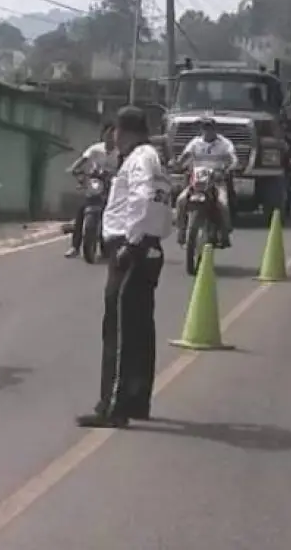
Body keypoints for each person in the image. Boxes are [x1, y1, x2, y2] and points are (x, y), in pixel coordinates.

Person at [76, 106, 172, 429]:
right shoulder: (147, 156)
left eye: (115, 130)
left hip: (133, 247)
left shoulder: (141, 158)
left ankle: (113, 407)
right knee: (138, 327)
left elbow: (146, 199)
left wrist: (131, 243)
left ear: (123, 131)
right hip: (143, 245)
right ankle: (134, 399)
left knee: (119, 329)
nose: (112, 136)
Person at [173, 116, 236, 248]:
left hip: (216, 181)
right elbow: (185, 156)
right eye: (204, 128)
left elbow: (233, 158)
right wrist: (178, 163)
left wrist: (231, 167)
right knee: (180, 201)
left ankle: (225, 234)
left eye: (210, 128)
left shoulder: (225, 144)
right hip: (196, 182)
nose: (207, 131)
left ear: (215, 129)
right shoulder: (195, 143)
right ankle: (181, 232)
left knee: (223, 204)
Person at [64, 123, 118, 259]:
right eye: (108, 133)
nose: (110, 137)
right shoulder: (95, 149)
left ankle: (116, 245)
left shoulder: (120, 152)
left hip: (113, 186)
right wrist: (73, 169)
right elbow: (82, 160)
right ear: (103, 135)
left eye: (113, 134)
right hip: (97, 183)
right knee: (81, 210)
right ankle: (75, 247)